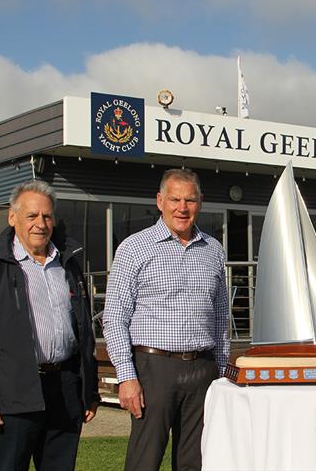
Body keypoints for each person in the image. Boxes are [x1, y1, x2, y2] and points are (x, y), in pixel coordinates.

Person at [0, 180, 99, 471]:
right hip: (14, 394)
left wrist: (88, 389)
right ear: (12, 217)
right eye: (31, 216)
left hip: (65, 390)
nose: (40, 224)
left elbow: (83, 333)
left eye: (46, 216)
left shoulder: (68, 265)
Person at [104, 168, 229, 471]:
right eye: (175, 199)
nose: (182, 208)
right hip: (153, 370)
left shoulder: (214, 250)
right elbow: (114, 317)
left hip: (202, 369)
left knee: (195, 462)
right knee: (144, 460)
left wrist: (223, 371)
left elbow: (221, 318)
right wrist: (126, 376)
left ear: (200, 203)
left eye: (190, 200)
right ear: (160, 201)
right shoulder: (134, 248)